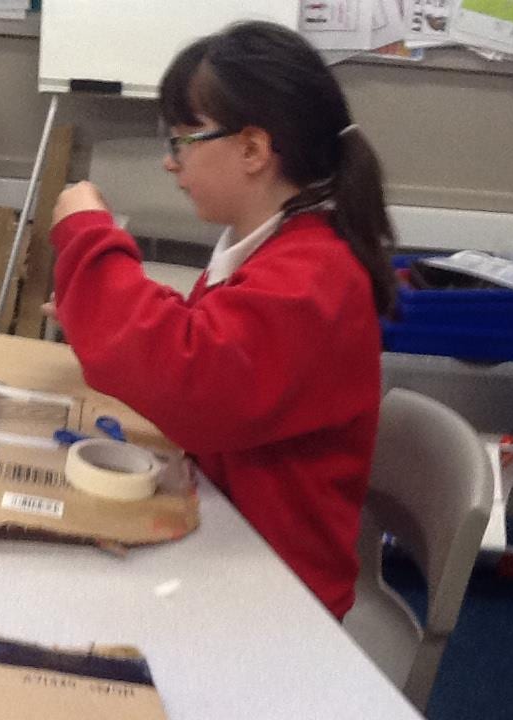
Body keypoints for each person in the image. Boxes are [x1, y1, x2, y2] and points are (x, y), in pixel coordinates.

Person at [46, 21, 396, 620]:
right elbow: (214, 337)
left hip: (278, 592)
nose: (170, 162)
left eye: (183, 141)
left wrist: (87, 237)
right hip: (230, 538)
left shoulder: (317, 275)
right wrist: (100, 314)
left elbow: (195, 379)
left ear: (253, 150)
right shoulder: (274, 247)